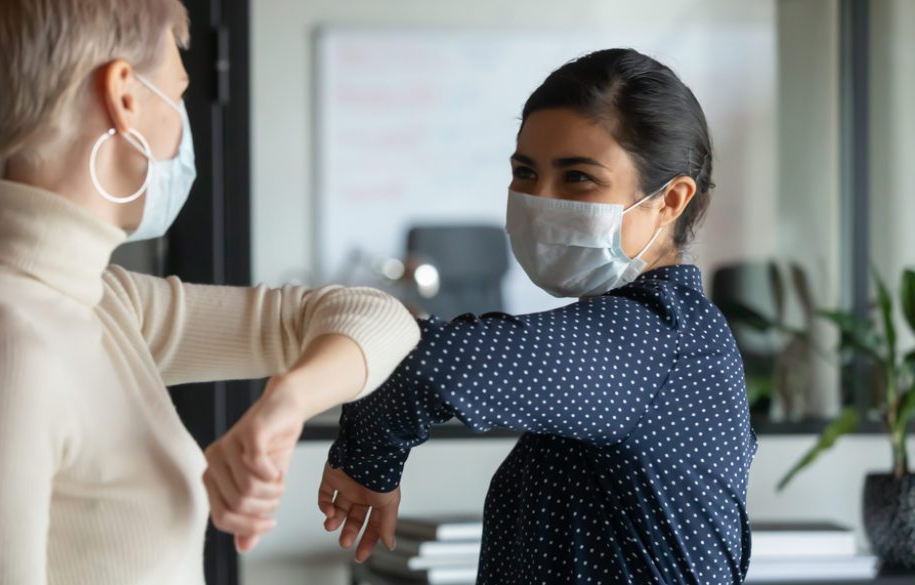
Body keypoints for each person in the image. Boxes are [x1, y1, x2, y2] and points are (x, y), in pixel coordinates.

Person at [0, 1, 419, 584]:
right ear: (123, 95)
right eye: (177, 91)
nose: (181, 120)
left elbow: (380, 317)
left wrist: (284, 404)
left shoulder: (97, 299)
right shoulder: (0, 343)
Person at [232, 48, 758, 583]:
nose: (539, 199)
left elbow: (421, 363)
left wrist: (366, 464)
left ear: (669, 201)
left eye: (578, 178)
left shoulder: (654, 337)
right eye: (525, 172)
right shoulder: (661, 337)